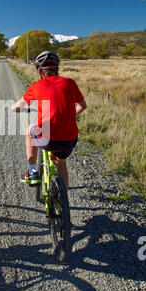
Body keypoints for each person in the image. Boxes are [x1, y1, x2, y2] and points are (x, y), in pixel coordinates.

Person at [12, 51, 87, 190]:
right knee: (61, 163)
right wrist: (69, 116)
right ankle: (64, 202)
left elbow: (18, 106)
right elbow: (83, 105)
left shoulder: (37, 86)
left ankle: (32, 171)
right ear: (56, 69)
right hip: (69, 139)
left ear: (40, 70)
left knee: (30, 129)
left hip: (46, 136)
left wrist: (15, 108)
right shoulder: (70, 83)